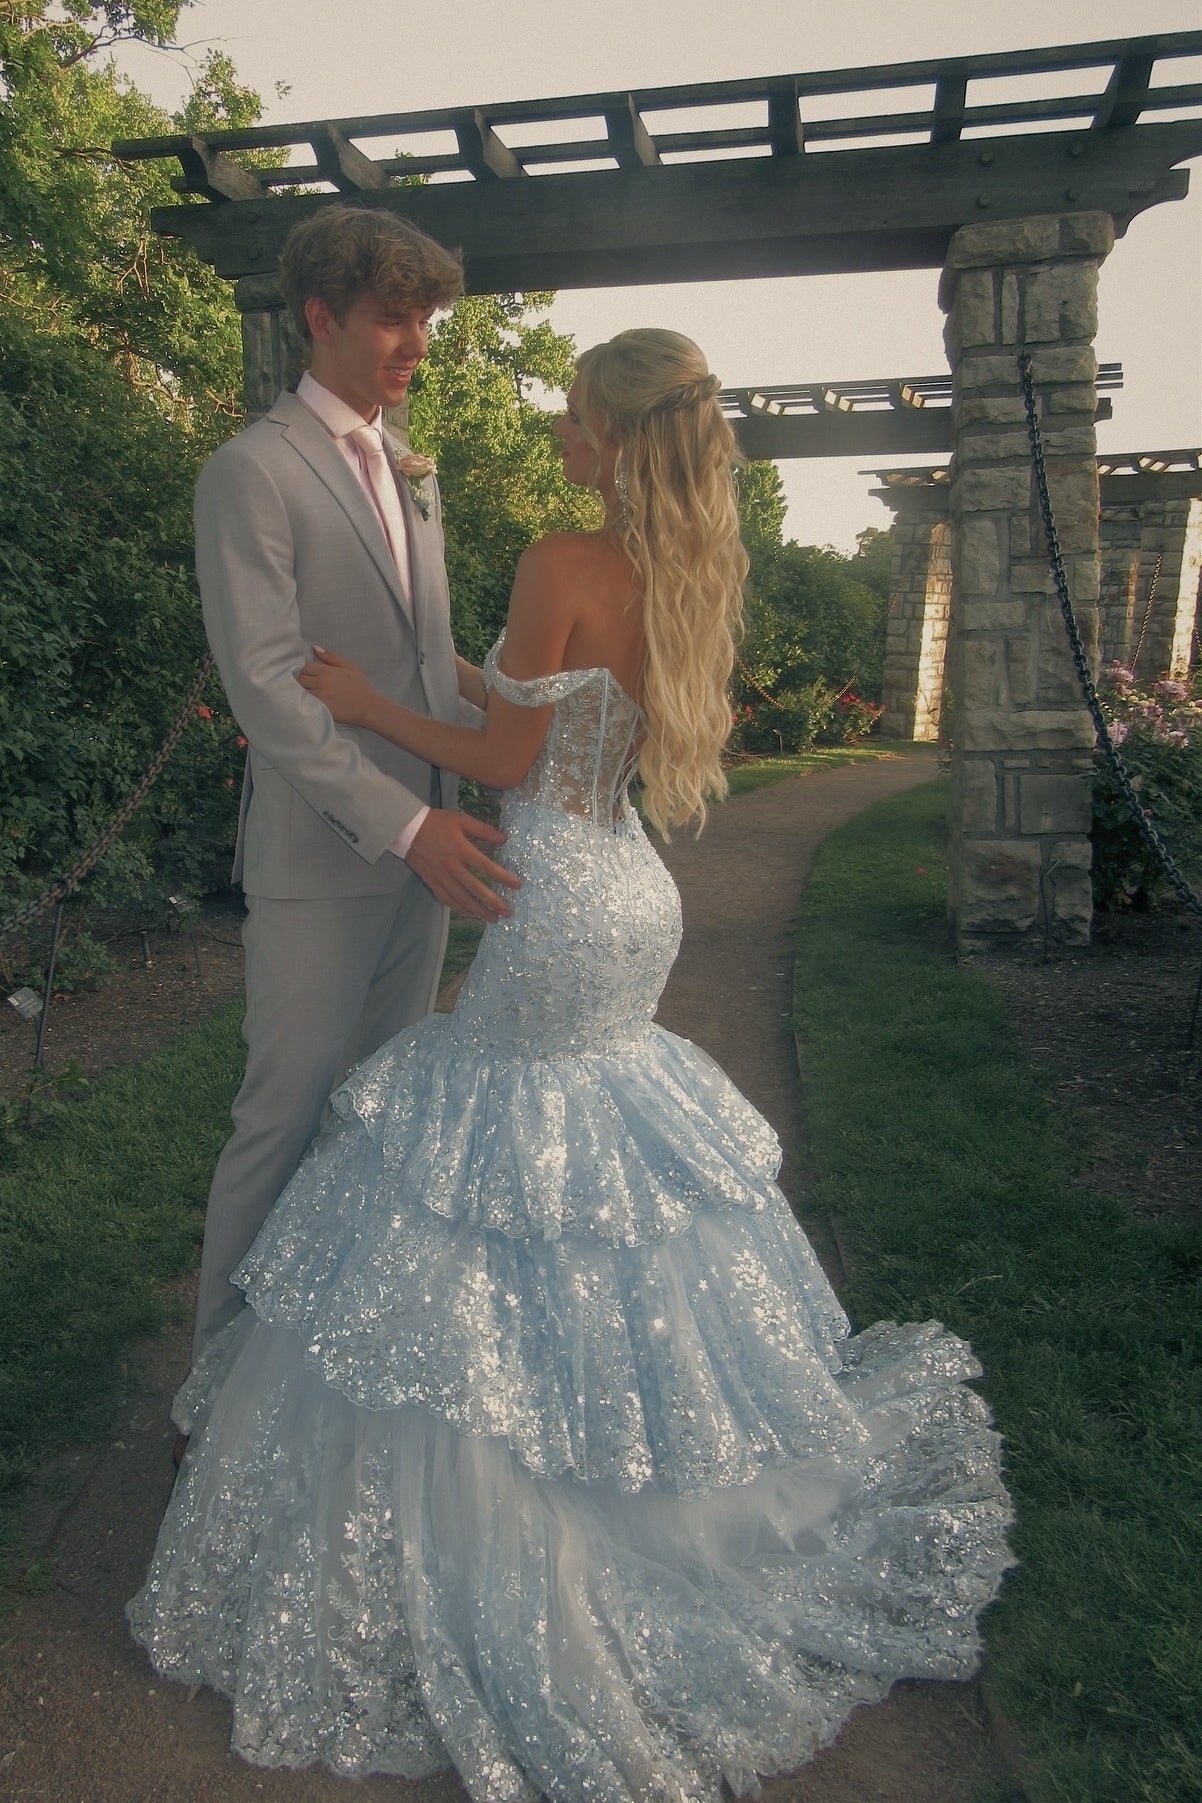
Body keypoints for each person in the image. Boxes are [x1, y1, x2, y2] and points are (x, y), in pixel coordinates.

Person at [130, 329, 1012, 1799]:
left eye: (573, 409)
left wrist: (353, 703)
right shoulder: (693, 568)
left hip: (551, 890)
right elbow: (576, 762)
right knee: (584, 1161)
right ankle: (611, 1441)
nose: (557, 425)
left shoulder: (562, 558)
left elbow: (495, 760)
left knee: (498, 1169)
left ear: (612, 429)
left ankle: (520, 1476)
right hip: (630, 886)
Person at [184, 206, 518, 1413]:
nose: (414, 341)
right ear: (319, 316)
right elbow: (271, 696)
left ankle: (326, 1386)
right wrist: (409, 824)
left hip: (423, 854)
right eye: (392, 316)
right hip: (329, 860)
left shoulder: (408, 460)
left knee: (378, 1123)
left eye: (424, 318)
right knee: (282, 1121)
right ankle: (213, 1397)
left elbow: (422, 660)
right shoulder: (251, 472)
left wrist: (532, 705)